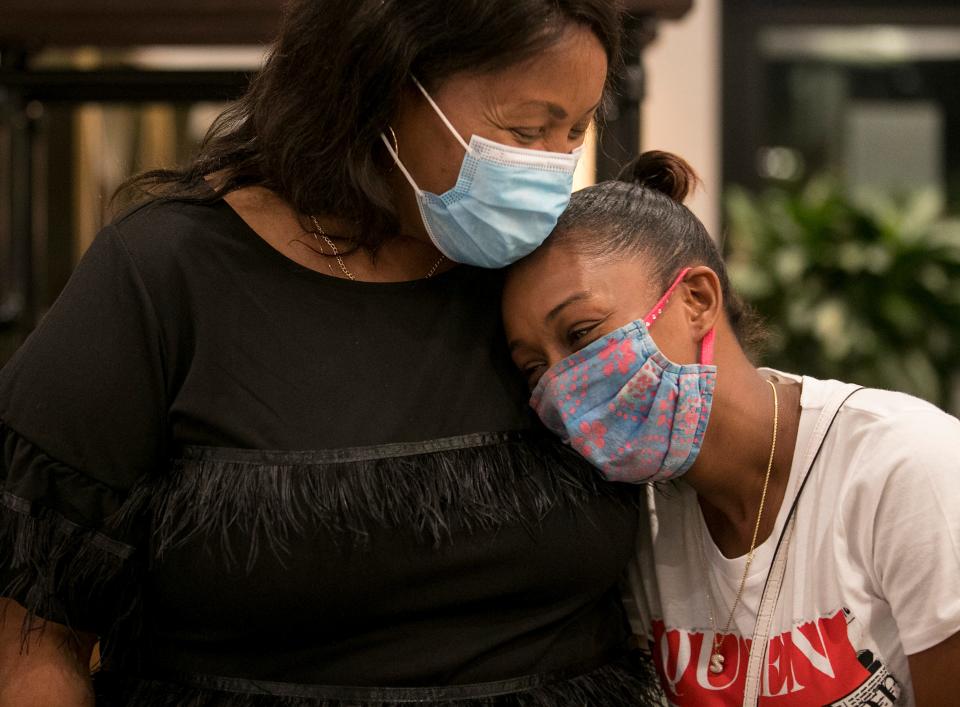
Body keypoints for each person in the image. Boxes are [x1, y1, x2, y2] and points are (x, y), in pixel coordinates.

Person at [0, 2, 665, 705]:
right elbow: (33, 643)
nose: (552, 169)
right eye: (526, 129)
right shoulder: (167, 275)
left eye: (573, 131)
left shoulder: (558, 289)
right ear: (383, 84)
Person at [501, 151, 960, 706]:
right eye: (534, 367)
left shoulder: (906, 466)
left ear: (697, 300)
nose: (562, 383)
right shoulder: (631, 521)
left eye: (580, 334)